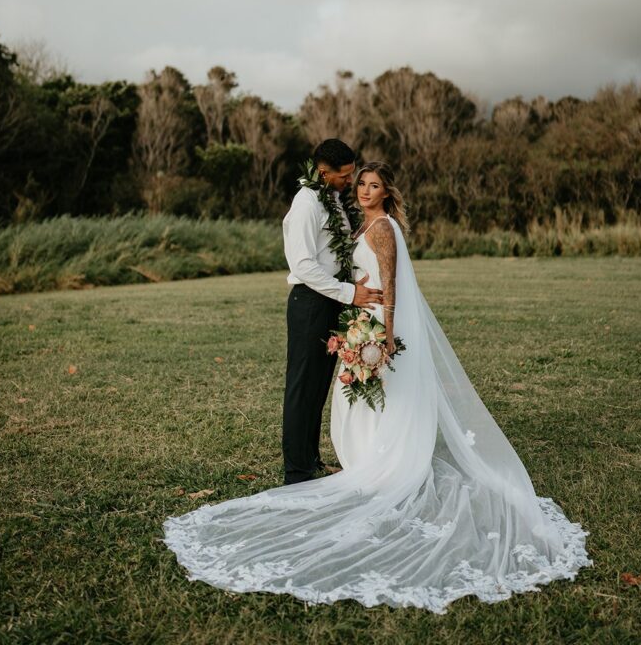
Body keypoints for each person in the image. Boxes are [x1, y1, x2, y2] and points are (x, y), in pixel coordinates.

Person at [163, 160, 593, 614]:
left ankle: (380, 466)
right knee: (358, 401)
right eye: (361, 183)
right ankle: (362, 461)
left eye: (373, 185)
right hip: (357, 322)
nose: (365, 191)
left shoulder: (383, 227)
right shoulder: (357, 221)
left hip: (376, 327)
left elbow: (391, 283)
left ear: (387, 193)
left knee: (377, 400)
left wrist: (386, 335)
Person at [279, 138, 383, 484]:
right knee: (301, 386)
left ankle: (311, 459)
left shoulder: (334, 200)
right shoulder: (306, 204)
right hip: (309, 302)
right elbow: (304, 264)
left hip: (332, 302)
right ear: (323, 173)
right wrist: (349, 292)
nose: (349, 182)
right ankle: (296, 471)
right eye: (343, 176)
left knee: (319, 385)